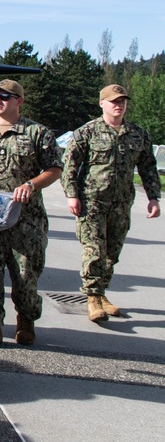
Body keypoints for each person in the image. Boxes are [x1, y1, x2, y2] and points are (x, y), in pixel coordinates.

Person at [0, 79, 62, 347]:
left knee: (26, 275)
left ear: (19, 101)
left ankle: (26, 321)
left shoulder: (37, 133)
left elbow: (54, 168)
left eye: (5, 97)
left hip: (26, 219)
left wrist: (31, 184)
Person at [61, 84, 161, 322]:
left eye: (123, 101)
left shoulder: (138, 134)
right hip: (92, 201)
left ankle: (102, 292)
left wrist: (153, 198)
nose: (119, 105)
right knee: (94, 250)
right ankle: (93, 298)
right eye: (114, 101)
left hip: (122, 203)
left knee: (112, 253)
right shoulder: (87, 132)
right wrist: (72, 194)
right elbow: (70, 165)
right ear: (102, 103)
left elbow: (147, 167)